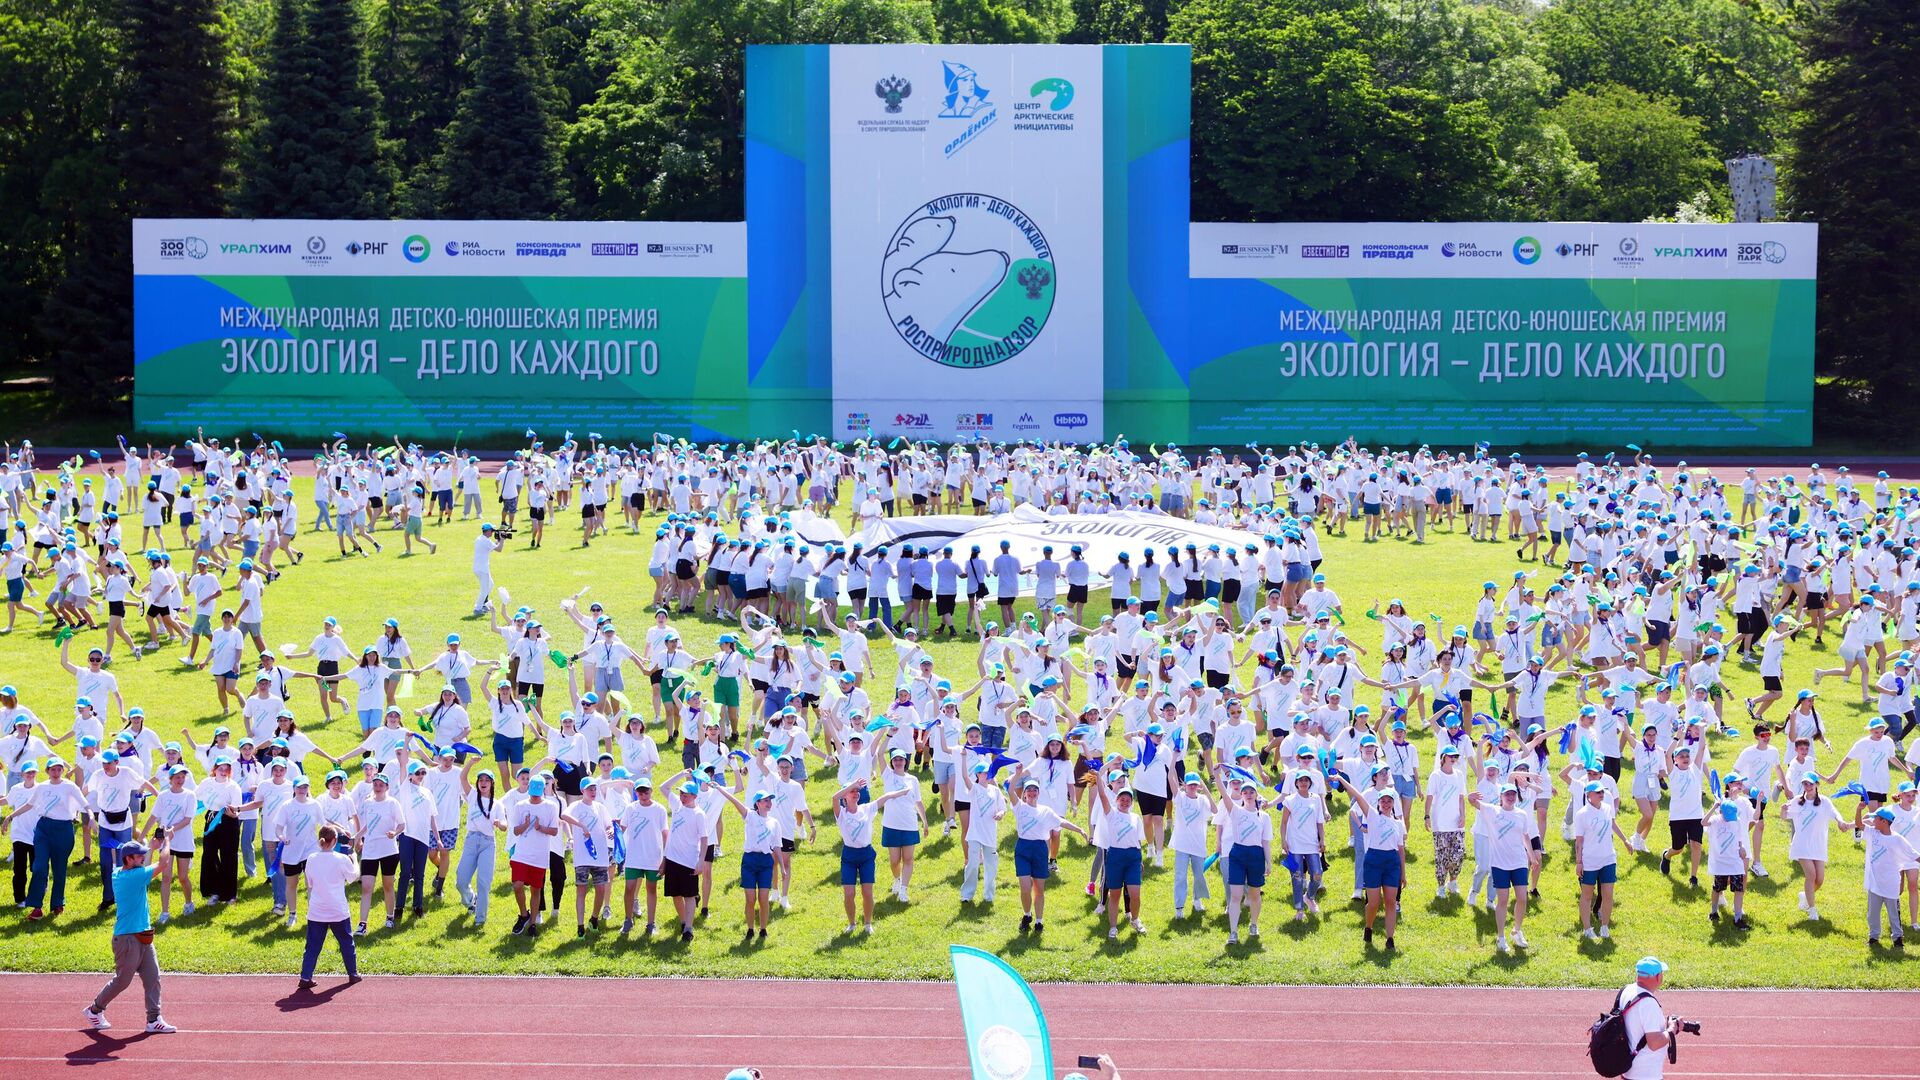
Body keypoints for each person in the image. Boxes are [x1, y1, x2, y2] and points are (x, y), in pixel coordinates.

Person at [82, 841, 176, 1034]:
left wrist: (149, 846)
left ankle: (154, 1019)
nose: (142, 858)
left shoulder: (119, 873)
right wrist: (167, 841)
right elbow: (164, 863)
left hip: (143, 936)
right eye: (139, 856)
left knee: (153, 977)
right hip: (127, 940)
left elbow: (144, 867)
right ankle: (94, 1010)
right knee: (122, 981)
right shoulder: (134, 877)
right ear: (129, 859)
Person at [297, 824, 361, 990]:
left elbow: (309, 883)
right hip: (337, 910)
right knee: (346, 942)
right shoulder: (341, 859)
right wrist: (354, 859)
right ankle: (353, 974)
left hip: (317, 910)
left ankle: (305, 976)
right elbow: (353, 877)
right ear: (334, 841)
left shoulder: (311, 859)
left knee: (312, 946)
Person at [1618, 956, 1673, 1080]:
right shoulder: (1648, 1003)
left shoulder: (1626, 991)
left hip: (1627, 1069)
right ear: (1658, 977)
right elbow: (1654, 1043)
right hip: (1645, 1074)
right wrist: (1672, 1030)